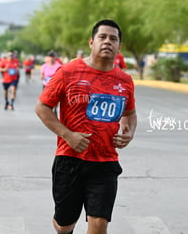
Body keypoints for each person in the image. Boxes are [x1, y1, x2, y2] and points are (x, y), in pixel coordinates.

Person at [35, 19, 137, 234]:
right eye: (102, 37)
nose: (107, 42)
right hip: (70, 159)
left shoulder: (125, 80)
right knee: (65, 225)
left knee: (99, 224)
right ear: (92, 42)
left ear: (119, 47)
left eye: (113, 39)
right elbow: (43, 107)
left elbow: (130, 114)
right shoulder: (68, 72)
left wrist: (129, 132)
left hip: (105, 161)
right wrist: (67, 134)